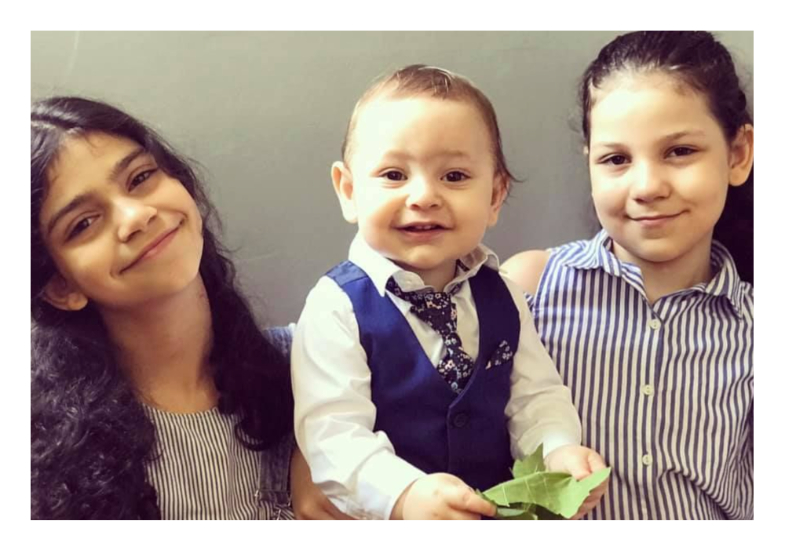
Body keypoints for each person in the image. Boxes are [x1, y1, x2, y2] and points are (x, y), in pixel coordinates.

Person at [291, 65, 607, 521]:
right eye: (394, 174)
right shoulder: (336, 307)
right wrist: (403, 494)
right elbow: (333, 435)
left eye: (454, 176)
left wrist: (557, 450)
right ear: (349, 191)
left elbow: (535, 397)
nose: (423, 196)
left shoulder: (504, 295)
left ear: (495, 196)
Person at [30, 96, 334, 519]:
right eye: (83, 223)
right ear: (61, 287)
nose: (136, 215)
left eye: (140, 177)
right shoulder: (41, 465)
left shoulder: (323, 364)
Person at [502, 31, 754, 519]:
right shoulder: (528, 289)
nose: (647, 186)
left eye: (679, 151)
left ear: (738, 153)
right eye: (616, 159)